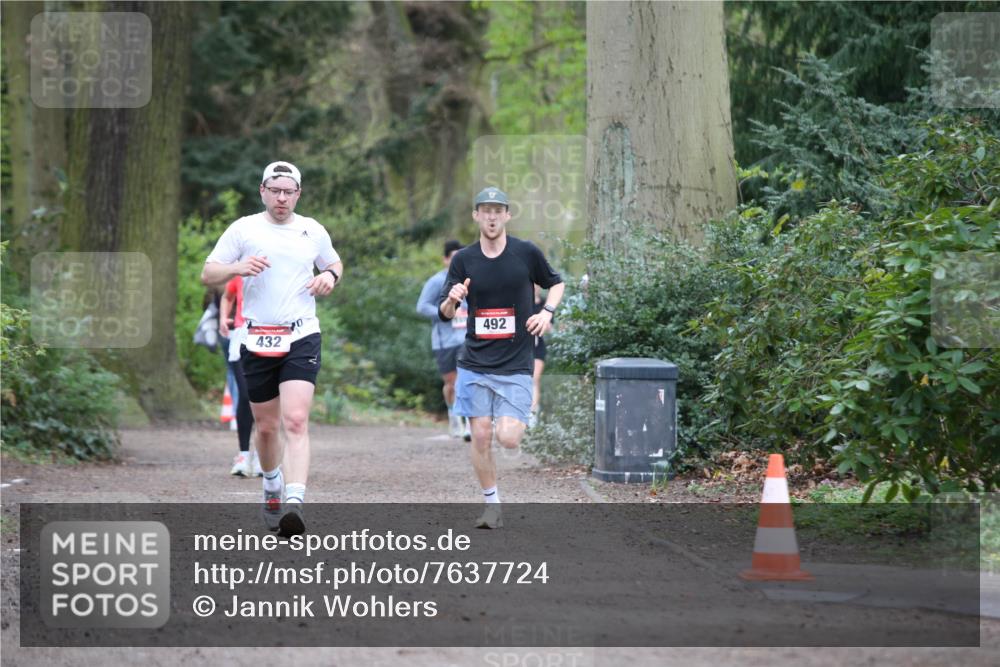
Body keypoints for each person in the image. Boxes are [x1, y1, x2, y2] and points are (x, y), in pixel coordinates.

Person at [202, 161, 342, 537]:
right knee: (265, 428)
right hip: (256, 337)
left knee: (295, 420)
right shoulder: (243, 229)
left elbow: (334, 263)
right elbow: (208, 273)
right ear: (262, 191)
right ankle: (271, 484)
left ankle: (295, 503)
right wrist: (237, 267)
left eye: (288, 192)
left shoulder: (312, 230)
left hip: (301, 335)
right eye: (275, 190)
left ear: (298, 194)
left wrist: (329, 276)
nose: (282, 198)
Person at [438, 187, 565, 528]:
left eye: (498, 211)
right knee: (480, 436)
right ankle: (492, 506)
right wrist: (452, 298)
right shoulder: (464, 259)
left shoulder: (525, 252)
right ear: (476, 216)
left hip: (516, 361)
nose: (492, 217)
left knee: (508, 439)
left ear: (507, 215)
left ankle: (507, 416)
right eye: (486, 211)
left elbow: (556, 283)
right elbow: (445, 313)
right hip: (475, 362)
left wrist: (547, 312)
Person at [416, 240, 471, 441]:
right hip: (444, 341)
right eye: (454, 258)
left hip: (467, 338)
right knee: (451, 383)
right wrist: (444, 313)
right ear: (445, 259)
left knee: (468, 379)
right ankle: (454, 416)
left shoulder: (470, 280)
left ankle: (469, 424)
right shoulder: (436, 281)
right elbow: (422, 306)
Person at [219, 275, 261, 477]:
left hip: (272, 335)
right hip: (242, 335)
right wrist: (223, 318)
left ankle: (262, 456)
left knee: (266, 398)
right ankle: (243, 455)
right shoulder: (241, 272)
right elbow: (227, 296)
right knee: (245, 395)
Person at [528, 284, 554, 429]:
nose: (534, 287)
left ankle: (532, 415)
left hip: (538, 347)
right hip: (520, 348)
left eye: (537, 285)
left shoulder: (545, 304)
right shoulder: (522, 301)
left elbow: (549, 326)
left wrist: (543, 322)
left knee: (534, 379)